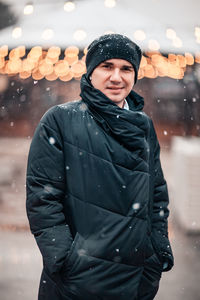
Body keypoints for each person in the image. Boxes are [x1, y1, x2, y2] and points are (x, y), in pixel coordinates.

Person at [26, 34, 174, 300]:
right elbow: (43, 198)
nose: (116, 77)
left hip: (136, 280)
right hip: (75, 282)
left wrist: (157, 253)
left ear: (135, 75)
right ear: (91, 72)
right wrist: (63, 260)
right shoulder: (60, 120)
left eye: (126, 68)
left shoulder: (143, 126)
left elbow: (157, 195)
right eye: (107, 66)